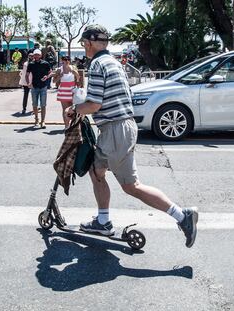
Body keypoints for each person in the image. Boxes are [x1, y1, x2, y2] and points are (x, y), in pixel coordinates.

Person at [65, 24, 199, 248]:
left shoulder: (97, 64)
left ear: (88, 43)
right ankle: (103, 221)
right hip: (124, 127)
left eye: (84, 44)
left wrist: (74, 109)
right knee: (96, 171)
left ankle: (182, 216)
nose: (84, 48)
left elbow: (95, 104)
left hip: (114, 130)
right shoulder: (114, 62)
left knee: (131, 186)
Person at [47, 55, 80, 127]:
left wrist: (76, 74)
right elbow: (54, 81)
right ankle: (66, 126)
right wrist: (59, 76)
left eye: (67, 60)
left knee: (73, 109)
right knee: (65, 109)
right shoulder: (59, 69)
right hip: (63, 91)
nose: (66, 62)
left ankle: (73, 125)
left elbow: (78, 79)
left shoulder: (73, 68)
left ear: (69, 61)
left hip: (72, 90)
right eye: (64, 60)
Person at [26, 49, 52, 129]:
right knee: (34, 104)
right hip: (34, 87)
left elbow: (50, 72)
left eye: (38, 54)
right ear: (33, 56)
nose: (36, 56)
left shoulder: (45, 63)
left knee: (43, 105)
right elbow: (27, 75)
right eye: (35, 54)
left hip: (43, 86)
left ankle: (43, 121)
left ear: (40, 55)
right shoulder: (31, 64)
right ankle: (36, 119)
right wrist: (28, 83)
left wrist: (47, 76)